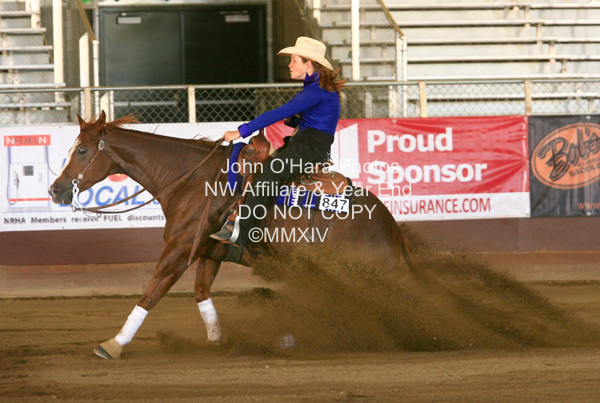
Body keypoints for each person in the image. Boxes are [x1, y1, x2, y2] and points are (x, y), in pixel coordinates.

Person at [210, 36, 346, 247]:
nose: (289, 65)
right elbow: (316, 121)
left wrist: (240, 132)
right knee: (265, 170)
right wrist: (297, 121)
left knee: (270, 173)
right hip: (307, 142)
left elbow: (278, 113)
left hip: (310, 145)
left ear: (308, 64)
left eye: (294, 60)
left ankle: (241, 233)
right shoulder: (318, 88)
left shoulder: (315, 90)